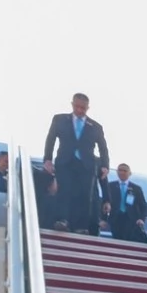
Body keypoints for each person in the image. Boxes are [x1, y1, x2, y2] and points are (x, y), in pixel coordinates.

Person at [42, 93, 109, 234]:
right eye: (77, 106)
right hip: (65, 161)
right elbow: (50, 139)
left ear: (88, 108)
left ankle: (81, 226)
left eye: (83, 108)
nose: (79, 110)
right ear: (72, 104)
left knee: (85, 195)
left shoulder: (96, 127)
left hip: (86, 164)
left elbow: (103, 147)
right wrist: (47, 159)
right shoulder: (59, 119)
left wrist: (105, 166)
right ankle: (62, 220)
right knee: (64, 190)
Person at [102, 163, 147, 243]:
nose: (122, 172)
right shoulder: (110, 186)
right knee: (117, 240)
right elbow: (104, 203)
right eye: (120, 170)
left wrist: (141, 219)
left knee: (129, 239)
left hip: (131, 219)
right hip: (116, 218)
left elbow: (143, 206)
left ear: (130, 173)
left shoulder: (136, 189)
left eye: (124, 171)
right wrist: (103, 219)